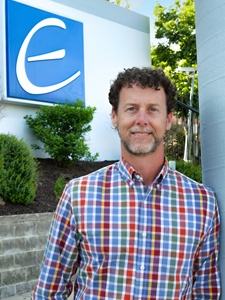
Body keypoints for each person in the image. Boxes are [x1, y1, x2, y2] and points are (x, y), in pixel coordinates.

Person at [31, 67, 220, 300]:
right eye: (131, 109)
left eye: (153, 110)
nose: (141, 120)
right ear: (115, 116)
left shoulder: (203, 203)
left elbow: (205, 293)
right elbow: (48, 292)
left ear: (169, 119)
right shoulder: (78, 195)